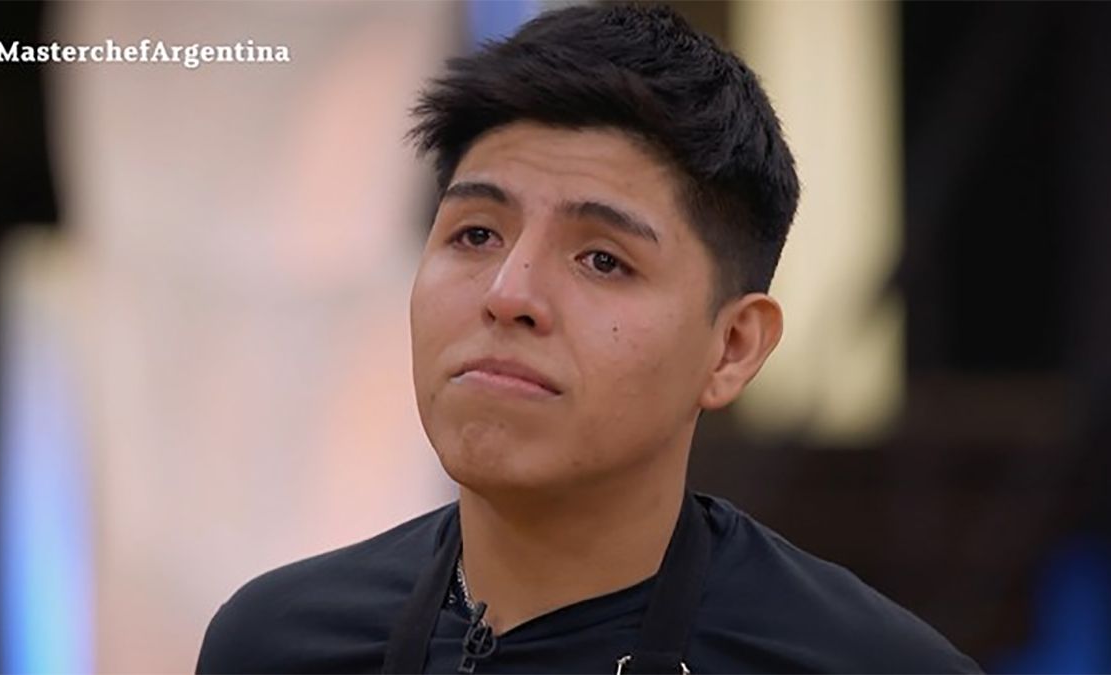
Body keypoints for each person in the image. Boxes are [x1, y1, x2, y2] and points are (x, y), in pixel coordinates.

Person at [195, 4, 981, 673]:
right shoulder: (275, 644)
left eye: (603, 259)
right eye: (475, 234)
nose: (509, 295)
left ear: (734, 346)